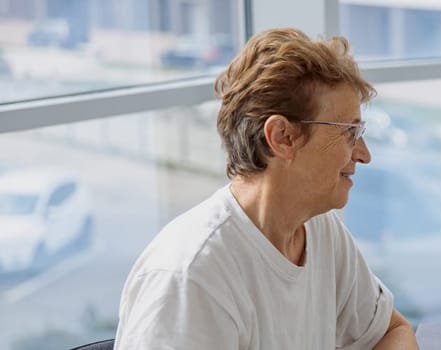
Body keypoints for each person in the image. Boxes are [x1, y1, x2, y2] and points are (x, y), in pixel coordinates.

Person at [115, 28, 419, 350]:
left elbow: (392, 331)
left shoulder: (321, 231)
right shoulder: (192, 277)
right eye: (349, 132)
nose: (364, 154)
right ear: (283, 137)